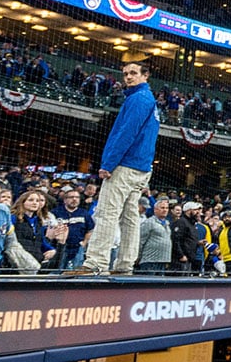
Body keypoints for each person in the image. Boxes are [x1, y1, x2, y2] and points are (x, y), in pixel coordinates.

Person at [66, 62, 159, 275]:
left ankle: (95, 264)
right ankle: (125, 265)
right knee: (130, 218)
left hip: (125, 166)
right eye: (125, 73)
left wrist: (108, 164)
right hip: (141, 168)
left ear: (146, 75)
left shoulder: (138, 99)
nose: (128, 77)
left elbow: (126, 133)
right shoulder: (149, 100)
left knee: (107, 213)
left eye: (133, 73)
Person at [11, 189, 66, 270]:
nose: (35, 203)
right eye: (31, 200)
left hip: (36, 262)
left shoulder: (38, 222)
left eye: (37, 201)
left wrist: (52, 250)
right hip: (17, 263)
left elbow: (41, 242)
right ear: (22, 202)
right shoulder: (13, 218)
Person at [137, 196, 172, 274]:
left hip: (163, 260)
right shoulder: (149, 222)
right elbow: (140, 240)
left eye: (166, 208)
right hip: (150, 260)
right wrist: (138, 257)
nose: (165, 210)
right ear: (155, 210)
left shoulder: (167, 223)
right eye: (162, 208)